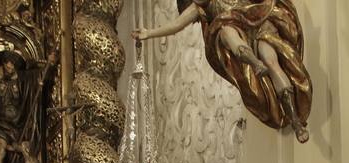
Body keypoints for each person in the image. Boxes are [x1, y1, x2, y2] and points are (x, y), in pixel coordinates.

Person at [133, 0, 312, 143]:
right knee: (224, 32)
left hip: (258, 24)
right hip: (238, 35)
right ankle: (254, 63)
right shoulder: (199, 9)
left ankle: (295, 120)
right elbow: (176, 25)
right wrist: (149, 33)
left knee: (272, 63)